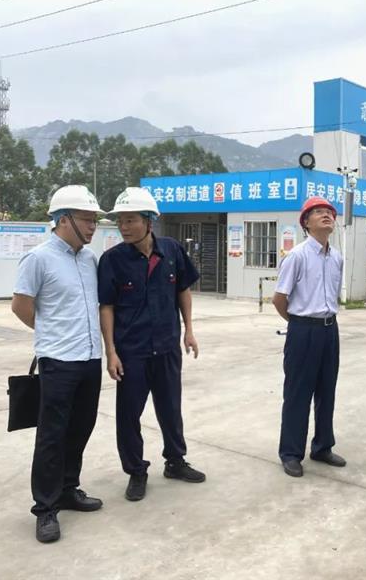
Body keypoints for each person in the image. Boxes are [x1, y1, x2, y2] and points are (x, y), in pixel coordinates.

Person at [98, 187, 204, 503]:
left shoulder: (171, 250)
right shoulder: (112, 260)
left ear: (149, 221)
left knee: (170, 408)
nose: (124, 227)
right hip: (132, 352)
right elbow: (107, 307)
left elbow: (183, 289)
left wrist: (189, 330)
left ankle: (175, 461)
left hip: (167, 347)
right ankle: (136, 471)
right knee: (129, 415)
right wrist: (111, 352)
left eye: (130, 220)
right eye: (120, 221)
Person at [11, 185, 105, 543]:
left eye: (95, 220)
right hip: (58, 361)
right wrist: (50, 333)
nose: (93, 226)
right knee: (52, 435)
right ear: (63, 219)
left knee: (81, 427)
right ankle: (45, 508)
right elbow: (21, 305)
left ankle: (68, 489)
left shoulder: (89, 259)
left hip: (90, 358)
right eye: (87, 219)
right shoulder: (38, 258)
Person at [272, 196, 346, 478]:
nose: (326, 215)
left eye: (329, 212)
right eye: (318, 212)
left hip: (330, 330)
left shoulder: (337, 257)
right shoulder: (297, 256)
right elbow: (279, 299)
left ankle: (323, 446)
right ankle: (291, 453)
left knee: (327, 390)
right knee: (298, 393)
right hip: (303, 331)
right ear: (306, 222)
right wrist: (299, 324)